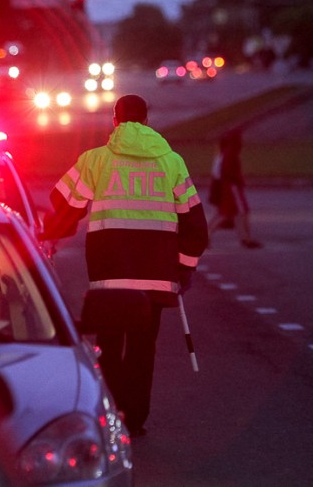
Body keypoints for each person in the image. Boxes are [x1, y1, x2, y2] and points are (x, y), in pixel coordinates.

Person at [41, 94, 209, 437]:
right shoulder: (171, 162)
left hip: (109, 276)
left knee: (109, 343)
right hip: (157, 277)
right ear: (147, 122)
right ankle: (135, 419)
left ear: (114, 121)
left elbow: (62, 200)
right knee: (143, 348)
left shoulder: (96, 160)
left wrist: (52, 233)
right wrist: (185, 268)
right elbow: (195, 226)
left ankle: (111, 416)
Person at [207, 127, 262, 249]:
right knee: (237, 213)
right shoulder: (230, 153)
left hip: (228, 186)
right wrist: (238, 180)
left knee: (233, 214)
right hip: (232, 187)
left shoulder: (223, 153)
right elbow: (226, 172)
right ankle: (245, 238)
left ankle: (245, 238)